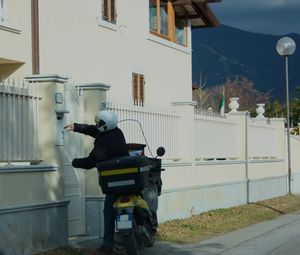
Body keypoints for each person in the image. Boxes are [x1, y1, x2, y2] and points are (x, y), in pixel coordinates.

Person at [64, 110, 129, 255]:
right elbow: (93, 130)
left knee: (108, 211)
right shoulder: (116, 132)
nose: (96, 124)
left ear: (105, 125)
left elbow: (91, 161)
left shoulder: (105, 143)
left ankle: (107, 245)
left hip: (114, 182)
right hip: (128, 178)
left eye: (98, 123)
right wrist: (76, 126)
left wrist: (73, 162)